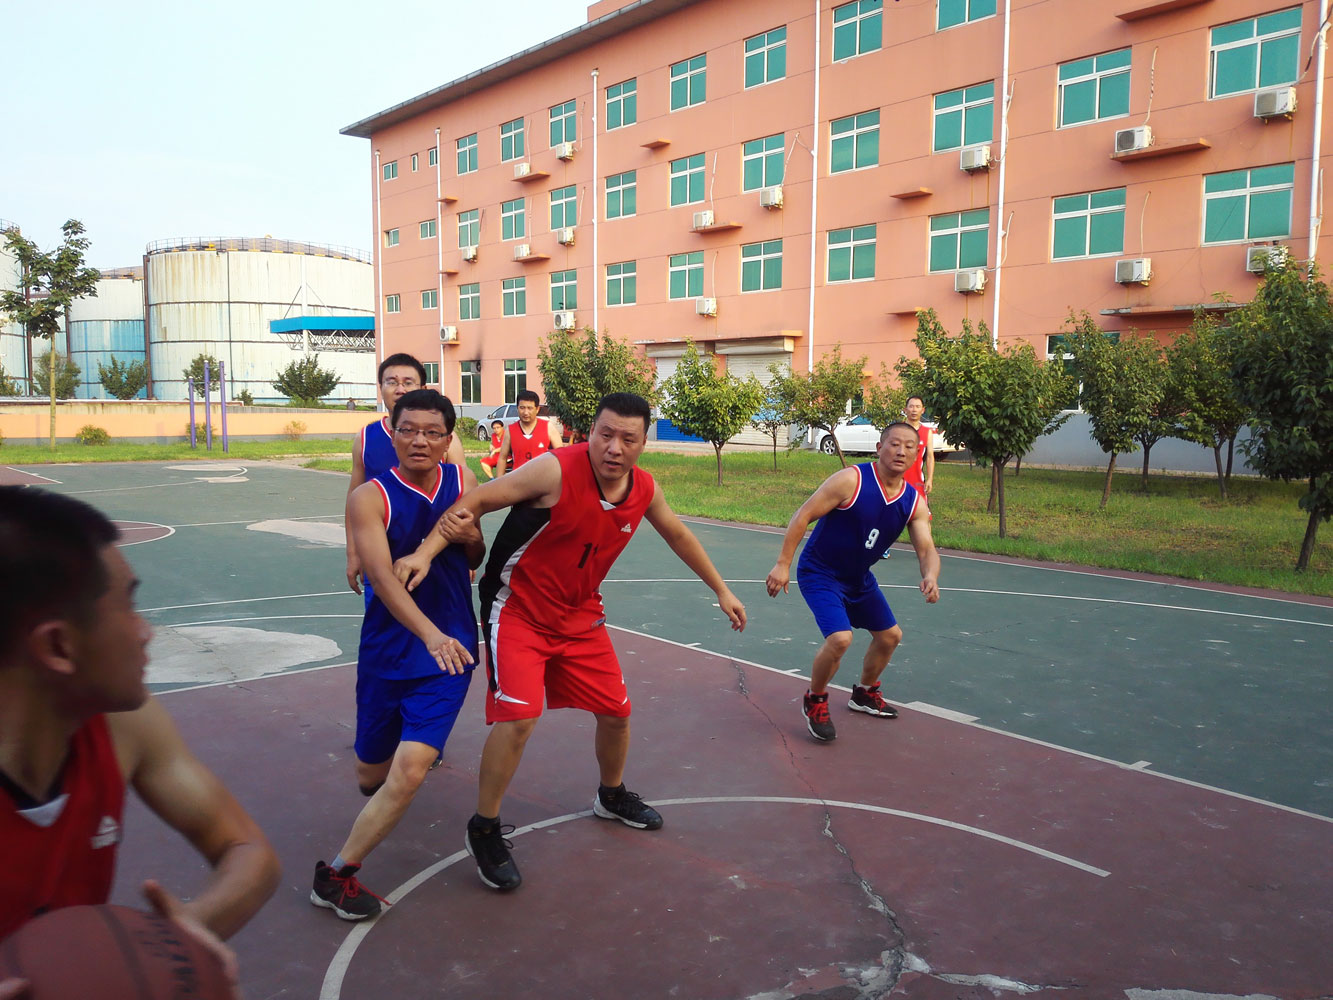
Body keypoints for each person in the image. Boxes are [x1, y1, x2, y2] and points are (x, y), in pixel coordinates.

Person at [394, 392, 746, 892]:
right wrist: (426, 553)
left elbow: (677, 534)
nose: (614, 448)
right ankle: (484, 827)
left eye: (628, 439)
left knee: (617, 712)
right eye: (606, 434)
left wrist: (721, 589)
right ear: (590, 432)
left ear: (644, 443)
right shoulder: (554, 471)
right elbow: (476, 501)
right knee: (520, 717)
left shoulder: (645, 488)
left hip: (580, 614)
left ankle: (611, 794)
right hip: (518, 608)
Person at [0, 486, 280, 987]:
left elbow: (248, 850)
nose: (146, 630)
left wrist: (175, 940)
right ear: (59, 646)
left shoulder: (121, 725)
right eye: (128, 607)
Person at [311, 390, 483, 921]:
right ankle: (387, 791)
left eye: (433, 432)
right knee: (372, 776)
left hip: (451, 648)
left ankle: (336, 876)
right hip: (389, 650)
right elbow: (383, 580)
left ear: (448, 439)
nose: (420, 440)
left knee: (409, 772)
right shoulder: (369, 497)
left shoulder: (464, 481)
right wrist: (427, 634)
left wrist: (470, 536)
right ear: (392, 433)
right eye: (408, 430)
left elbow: (476, 554)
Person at [765, 422, 941, 743]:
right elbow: (803, 515)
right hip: (820, 572)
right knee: (840, 639)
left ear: (917, 454)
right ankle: (815, 699)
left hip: (859, 579)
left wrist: (930, 575)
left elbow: (927, 548)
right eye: (894, 444)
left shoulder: (913, 501)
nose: (901, 451)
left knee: (890, 637)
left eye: (909, 447)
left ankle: (864, 693)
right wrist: (782, 564)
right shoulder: (852, 480)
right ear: (879, 448)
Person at [345, 353, 466, 595]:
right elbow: (353, 498)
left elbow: (466, 500)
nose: (400, 389)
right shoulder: (366, 438)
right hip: (383, 555)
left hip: (439, 556)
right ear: (381, 388)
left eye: (408, 382)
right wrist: (353, 551)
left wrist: (468, 546)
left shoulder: (446, 441)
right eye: (391, 382)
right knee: (386, 607)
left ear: (423, 388)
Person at [494, 388, 561, 477]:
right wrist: (499, 480)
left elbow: (561, 456)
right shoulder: (510, 430)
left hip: (543, 480)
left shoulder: (548, 427)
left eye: (530, 408)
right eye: (522, 408)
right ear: (517, 408)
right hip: (518, 480)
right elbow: (502, 458)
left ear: (537, 409)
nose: (526, 412)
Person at [902, 395, 935, 497]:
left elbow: (930, 457)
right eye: (911, 406)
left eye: (917, 407)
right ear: (905, 410)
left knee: (919, 507)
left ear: (923, 410)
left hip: (917, 481)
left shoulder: (927, 432)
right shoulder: (898, 430)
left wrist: (930, 479)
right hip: (897, 480)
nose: (914, 410)